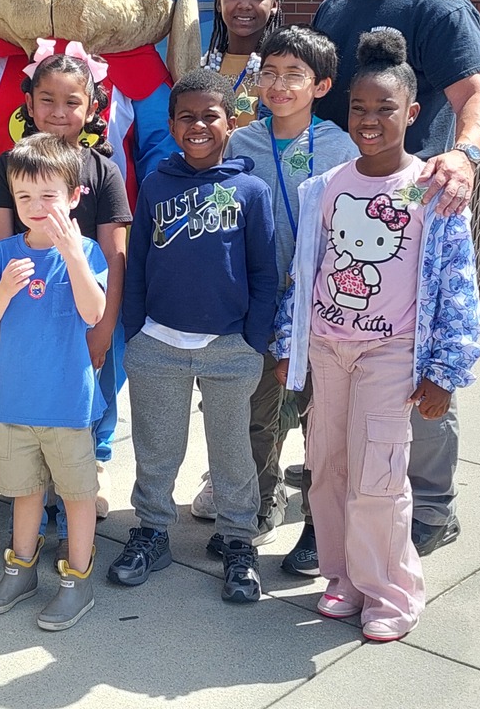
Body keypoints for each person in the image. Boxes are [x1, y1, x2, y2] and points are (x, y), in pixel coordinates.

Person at [299, 0, 480, 566]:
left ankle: (433, 509)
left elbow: (479, 93)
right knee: (351, 365)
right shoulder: (335, 6)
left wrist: (466, 157)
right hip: (345, 207)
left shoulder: (439, 6)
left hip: (415, 214)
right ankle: (346, 495)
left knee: (417, 365)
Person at [273, 29, 480, 642]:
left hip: (390, 350)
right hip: (327, 349)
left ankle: (391, 590)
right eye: (359, 108)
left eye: (384, 109)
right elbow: (306, 271)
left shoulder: (429, 188)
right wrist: (293, 347)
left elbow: (456, 283)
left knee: (379, 473)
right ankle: (344, 576)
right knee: (328, 465)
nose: (369, 120)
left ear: (411, 113)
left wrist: (444, 370)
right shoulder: (325, 187)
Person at [107, 67, 277, 603]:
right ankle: (152, 530)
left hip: (230, 347)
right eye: (186, 117)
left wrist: (254, 338)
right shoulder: (157, 183)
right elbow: (137, 267)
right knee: (157, 447)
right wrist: (136, 331)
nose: (198, 125)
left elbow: (264, 271)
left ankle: (237, 539)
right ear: (173, 125)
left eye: (210, 115)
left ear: (231, 123)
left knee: (232, 451)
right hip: (158, 342)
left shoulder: (250, 189)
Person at [191, 26, 358, 558]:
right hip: (258, 303)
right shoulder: (242, 140)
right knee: (254, 411)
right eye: (270, 74)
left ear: (322, 85)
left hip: (320, 304)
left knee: (320, 418)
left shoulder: (338, 145)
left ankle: (318, 523)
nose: (279, 85)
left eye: (295, 76)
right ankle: (261, 503)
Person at [0, 41, 132, 558]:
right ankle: (34, 511)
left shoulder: (102, 170)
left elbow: (115, 256)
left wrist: (104, 329)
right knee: (33, 417)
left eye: (72, 102)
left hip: (84, 313)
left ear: (93, 107)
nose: (59, 112)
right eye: (47, 100)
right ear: (28, 103)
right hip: (28, 317)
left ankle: (89, 480)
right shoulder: (9, 167)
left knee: (87, 409)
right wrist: (2, 324)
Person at [0, 133, 107, 632]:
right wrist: (4, 287)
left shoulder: (88, 251)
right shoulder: (4, 251)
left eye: (48, 195)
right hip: (19, 405)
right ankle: (21, 569)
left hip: (68, 405)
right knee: (25, 493)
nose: (35, 206)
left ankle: (77, 580)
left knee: (77, 495)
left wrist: (71, 255)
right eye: (24, 196)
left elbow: (94, 312)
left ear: (74, 196)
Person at [203, 0, 284, 126]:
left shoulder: (285, 72)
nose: (244, 4)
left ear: (274, 4)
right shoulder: (203, 68)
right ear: (219, 1)